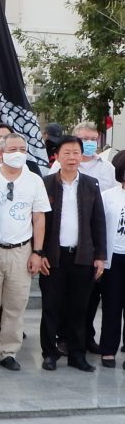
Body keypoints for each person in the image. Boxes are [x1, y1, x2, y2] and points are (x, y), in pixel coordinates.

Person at [0, 132, 49, 371]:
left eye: (22, 149)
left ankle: (8, 351)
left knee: (16, 304)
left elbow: (38, 218)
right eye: (12, 150)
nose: (17, 154)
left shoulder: (34, 180)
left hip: (21, 250)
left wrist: (37, 252)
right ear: (1, 151)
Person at [37, 135, 106, 372]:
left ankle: (77, 354)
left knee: (79, 308)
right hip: (53, 257)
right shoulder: (45, 184)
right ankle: (49, 353)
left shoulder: (91, 184)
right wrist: (40, 252)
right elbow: (37, 221)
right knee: (51, 307)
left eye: (76, 152)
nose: (72, 157)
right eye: (66, 153)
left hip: (82, 257)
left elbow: (98, 222)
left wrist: (100, 256)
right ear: (57, 156)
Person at [97, 152, 125, 368]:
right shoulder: (108, 196)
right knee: (112, 305)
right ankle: (108, 350)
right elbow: (98, 227)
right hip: (113, 258)